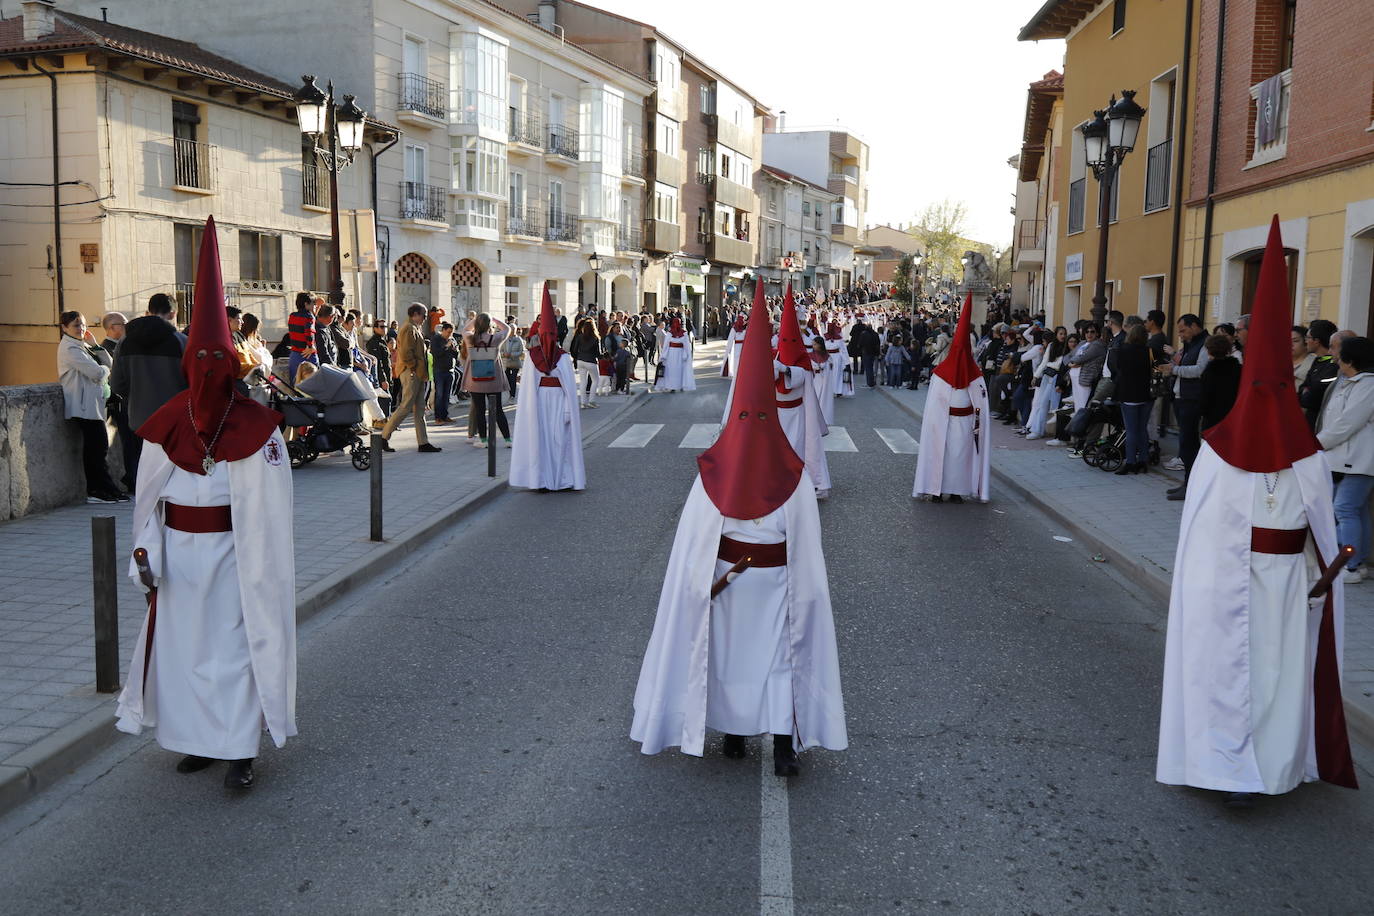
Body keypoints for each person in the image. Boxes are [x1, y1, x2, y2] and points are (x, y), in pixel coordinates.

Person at [1157, 217, 1358, 805]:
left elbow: (1322, 530)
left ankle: (1270, 766)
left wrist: (1324, 577)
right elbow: (1205, 535)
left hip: (1285, 586)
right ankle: (1224, 764)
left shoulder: (1286, 459)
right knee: (1245, 674)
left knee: (1274, 675)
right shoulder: (1238, 455)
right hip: (1237, 587)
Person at [630, 278, 847, 777]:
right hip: (726, 588)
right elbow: (693, 543)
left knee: (773, 662)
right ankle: (732, 731)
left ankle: (783, 741)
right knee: (731, 663)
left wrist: (805, 593)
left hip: (769, 589)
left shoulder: (785, 479)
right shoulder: (735, 476)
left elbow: (806, 552)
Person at [116, 216, 295, 792]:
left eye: (220, 362)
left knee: (235, 654)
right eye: (201, 363)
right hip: (182, 565)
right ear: (187, 364)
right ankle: (196, 740)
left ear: (233, 365)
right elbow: (149, 502)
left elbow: (270, 510)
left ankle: (240, 749)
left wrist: (258, 566)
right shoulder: (167, 424)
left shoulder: (259, 429)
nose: (209, 373)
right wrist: (147, 552)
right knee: (184, 655)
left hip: (234, 561)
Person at [913, 293, 991, 503]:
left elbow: (981, 403)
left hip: (965, 423)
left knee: (961, 457)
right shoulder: (940, 374)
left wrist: (977, 421)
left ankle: (957, 490)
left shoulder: (976, 376)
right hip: (944, 423)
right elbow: (933, 406)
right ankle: (935, 490)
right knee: (942, 456)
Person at [510, 283, 585, 491]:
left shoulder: (563, 359)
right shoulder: (532, 358)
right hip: (540, 403)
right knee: (540, 441)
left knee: (561, 440)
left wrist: (570, 407)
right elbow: (527, 388)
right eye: (547, 336)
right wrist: (530, 410)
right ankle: (541, 479)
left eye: (553, 336)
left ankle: (564, 478)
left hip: (560, 402)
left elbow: (569, 387)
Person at [109, 292, 188, 487]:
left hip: (139, 419)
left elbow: (117, 385)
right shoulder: (181, 342)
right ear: (173, 313)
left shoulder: (125, 342)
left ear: (148, 311)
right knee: (173, 479)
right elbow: (192, 384)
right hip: (174, 420)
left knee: (144, 478)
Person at [1316, 336, 1374, 584]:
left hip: (1360, 459)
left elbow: (1348, 422)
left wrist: (1317, 443)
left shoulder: (1368, 385)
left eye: (1340, 352)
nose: (1335, 357)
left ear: (1351, 359)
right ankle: (1358, 561)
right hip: (1344, 458)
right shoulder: (1349, 382)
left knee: (1344, 507)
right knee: (1355, 509)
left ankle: (1350, 565)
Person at [766, 286, 830, 499]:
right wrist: (774, 370)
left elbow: (804, 376)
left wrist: (786, 369)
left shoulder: (803, 360)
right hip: (777, 414)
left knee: (801, 448)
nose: (788, 345)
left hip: (799, 414)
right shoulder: (774, 356)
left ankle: (806, 481)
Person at [57, 311, 125, 503]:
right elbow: (97, 373)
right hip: (82, 406)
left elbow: (110, 362)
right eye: (76, 325)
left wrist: (95, 345)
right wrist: (105, 370)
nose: (82, 329)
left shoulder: (82, 345)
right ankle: (96, 491)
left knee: (98, 448)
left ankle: (106, 489)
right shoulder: (70, 348)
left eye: (83, 325)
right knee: (97, 449)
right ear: (64, 328)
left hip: (92, 405)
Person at [379, 304, 442, 453]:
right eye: (423, 315)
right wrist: (413, 367)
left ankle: (423, 442)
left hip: (417, 372)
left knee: (420, 408)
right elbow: (407, 352)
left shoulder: (414, 327)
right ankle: (383, 437)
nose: (425, 318)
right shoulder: (408, 328)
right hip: (411, 372)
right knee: (406, 406)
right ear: (415, 314)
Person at [1159, 314, 1209, 499]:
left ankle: (1191, 486)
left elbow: (1199, 370)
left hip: (1192, 399)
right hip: (1181, 397)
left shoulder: (1204, 343)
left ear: (1195, 326)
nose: (1180, 335)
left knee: (1189, 445)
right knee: (1186, 445)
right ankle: (1187, 484)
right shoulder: (1191, 343)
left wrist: (1174, 369)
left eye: (1183, 330)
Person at [463, 313, 511, 447]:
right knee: (498, 410)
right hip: (493, 380)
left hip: (475, 379)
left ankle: (483, 440)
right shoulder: (495, 338)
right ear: (490, 325)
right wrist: (495, 319)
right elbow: (507, 329)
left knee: (479, 410)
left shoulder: (470, 338)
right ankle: (508, 440)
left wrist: (475, 319)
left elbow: (465, 329)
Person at [1112, 324, 1154, 474]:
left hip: (1129, 393)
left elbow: (1118, 368)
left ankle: (1130, 462)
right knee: (1142, 429)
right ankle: (1143, 460)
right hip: (1146, 394)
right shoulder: (1148, 350)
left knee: (1131, 430)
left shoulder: (1123, 350)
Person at [1298, 319, 1339, 430]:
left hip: (1321, 423)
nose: (1305, 341)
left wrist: (1307, 392)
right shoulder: (1318, 361)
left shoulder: (1333, 364)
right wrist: (1306, 391)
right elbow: (1303, 388)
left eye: (1308, 337)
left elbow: (1316, 391)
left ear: (1317, 341)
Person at [1198, 333, 1241, 433]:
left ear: (1209, 351)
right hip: (1232, 417)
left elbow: (1204, 399)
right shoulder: (1238, 369)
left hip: (1212, 420)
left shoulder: (1210, 372)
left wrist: (1201, 411)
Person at [430, 322, 459, 425]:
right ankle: (438, 417)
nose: (449, 335)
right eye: (448, 332)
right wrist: (446, 346)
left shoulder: (451, 340)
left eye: (451, 333)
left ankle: (445, 415)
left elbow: (456, 355)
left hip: (450, 370)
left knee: (447, 395)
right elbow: (436, 353)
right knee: (439, 394)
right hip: (439, 370)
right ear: (443, 330)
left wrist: (455, 349)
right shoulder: (436, 339)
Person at [569, 318, 602, 408]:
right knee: (595, 380)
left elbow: (575, 349)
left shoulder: (580, 337)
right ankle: (592, 400)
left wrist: (576, 358)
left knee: (583, 382)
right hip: (591, 360)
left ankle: (583, 402)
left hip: (580, 360)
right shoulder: (595, 338)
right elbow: (598, 353)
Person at [658, 317, 696, 393]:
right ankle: (679, 385)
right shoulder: (682, 333)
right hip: (679, 353)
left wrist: (664, 355)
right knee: (679, 370)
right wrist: (687, 354)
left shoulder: (670, 333)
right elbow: (687, 345)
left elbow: (666, 345)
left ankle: (674, 386)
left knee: (672, 370)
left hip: (672, 353)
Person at [286, 292, 317, 382]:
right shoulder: (309, 316)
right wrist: (311, 346)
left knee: (295, 381)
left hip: (295, 353)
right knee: (312, 382)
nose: (314, 306)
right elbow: (309, 332)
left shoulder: (292, 316)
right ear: (306, 304)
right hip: (308, 353)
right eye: (313, 304)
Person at [365, 318, 393, 416]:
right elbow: (378, 363)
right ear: (375, 328)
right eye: (381, 327)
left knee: (388, 399)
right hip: (380, 377)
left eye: (385, 327)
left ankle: (388, 421)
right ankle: (386, 423)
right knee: (385, 400)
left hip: (387, 375)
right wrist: (383, 380)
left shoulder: (382, 341)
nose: (384, 329)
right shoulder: (374, 342)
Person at [500, 320, 526, 402]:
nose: (512, 331)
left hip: (515, 362)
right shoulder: (504, 339)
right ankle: (510, 393)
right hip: (506, 363)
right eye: (511, 329)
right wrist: (504, 354)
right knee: (507, 379)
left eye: (514, 329)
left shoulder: (519, 340)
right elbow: (500, 350)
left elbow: (521, 351)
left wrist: (512, 354)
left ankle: (512, 396)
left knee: (513, 379)